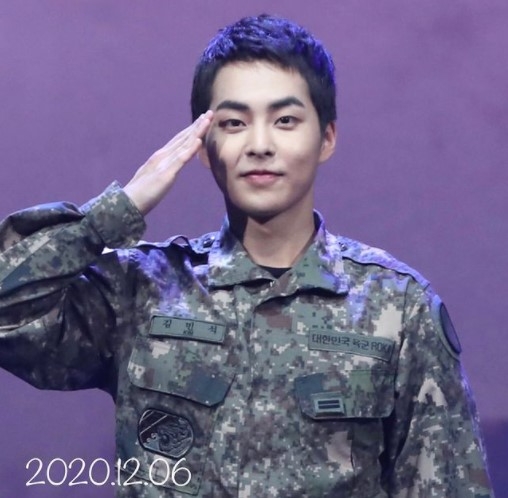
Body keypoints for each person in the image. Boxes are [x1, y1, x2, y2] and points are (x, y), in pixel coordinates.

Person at [0, 13, 493, 498]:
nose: (259, 145)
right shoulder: (144, 289)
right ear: (203, 145)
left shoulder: (398, 308)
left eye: (285, 121)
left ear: (326, 138)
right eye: (234, 122)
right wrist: (115, 212)